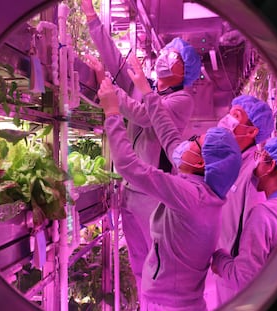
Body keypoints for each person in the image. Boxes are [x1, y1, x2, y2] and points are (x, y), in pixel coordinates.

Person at [96, 52, 242, 310]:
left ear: (199, 163)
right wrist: (145, 89)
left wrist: (112, 113)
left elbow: (130, 166)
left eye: (197, 143)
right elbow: (169, 135)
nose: (190, 141)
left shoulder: (189, 196)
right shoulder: (203, 189)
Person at [81, 0, 202, 298]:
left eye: (173, 56)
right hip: (129, 192)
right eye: (167, 51)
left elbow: (144, 115)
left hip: (153, 194)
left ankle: (160, 304)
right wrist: (91, 16)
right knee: (137, 262)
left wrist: (110, 90)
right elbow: (114, 59)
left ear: (183, 70)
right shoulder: (144, 85)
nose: (165, 57)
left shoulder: (181, 100)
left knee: (156, 263)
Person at [205, 94, 275, 308]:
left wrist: (229, 267)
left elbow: (255, 240)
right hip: (220, 268)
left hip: (236, 278)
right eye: (229, 113)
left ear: (253, 132)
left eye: (236, 115)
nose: (227, 120)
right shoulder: (231, 163)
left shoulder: (255, 172)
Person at [210, 135, 277, 302]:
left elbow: (243, 279)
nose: (255, 166)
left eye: (260, 157)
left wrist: (220, 259)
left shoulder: (264, 215)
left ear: (271, 166)